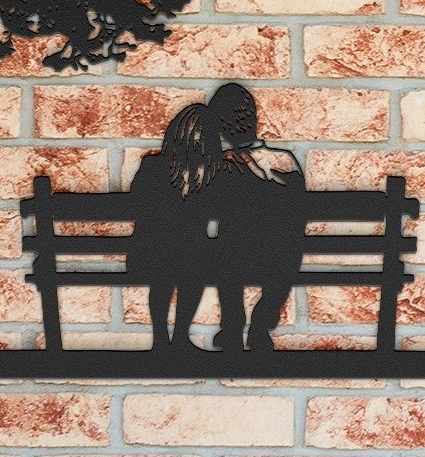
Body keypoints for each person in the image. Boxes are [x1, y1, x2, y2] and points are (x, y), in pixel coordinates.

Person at [126, 85, 305, 352]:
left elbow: (143, 204)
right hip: (282, 261)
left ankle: (231, 325)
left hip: (223, 260)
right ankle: (259, 322)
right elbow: (298, 208)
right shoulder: (286, 161)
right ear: (254, 118)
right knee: (243, 245)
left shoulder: (219, 168)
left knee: (226, 244)